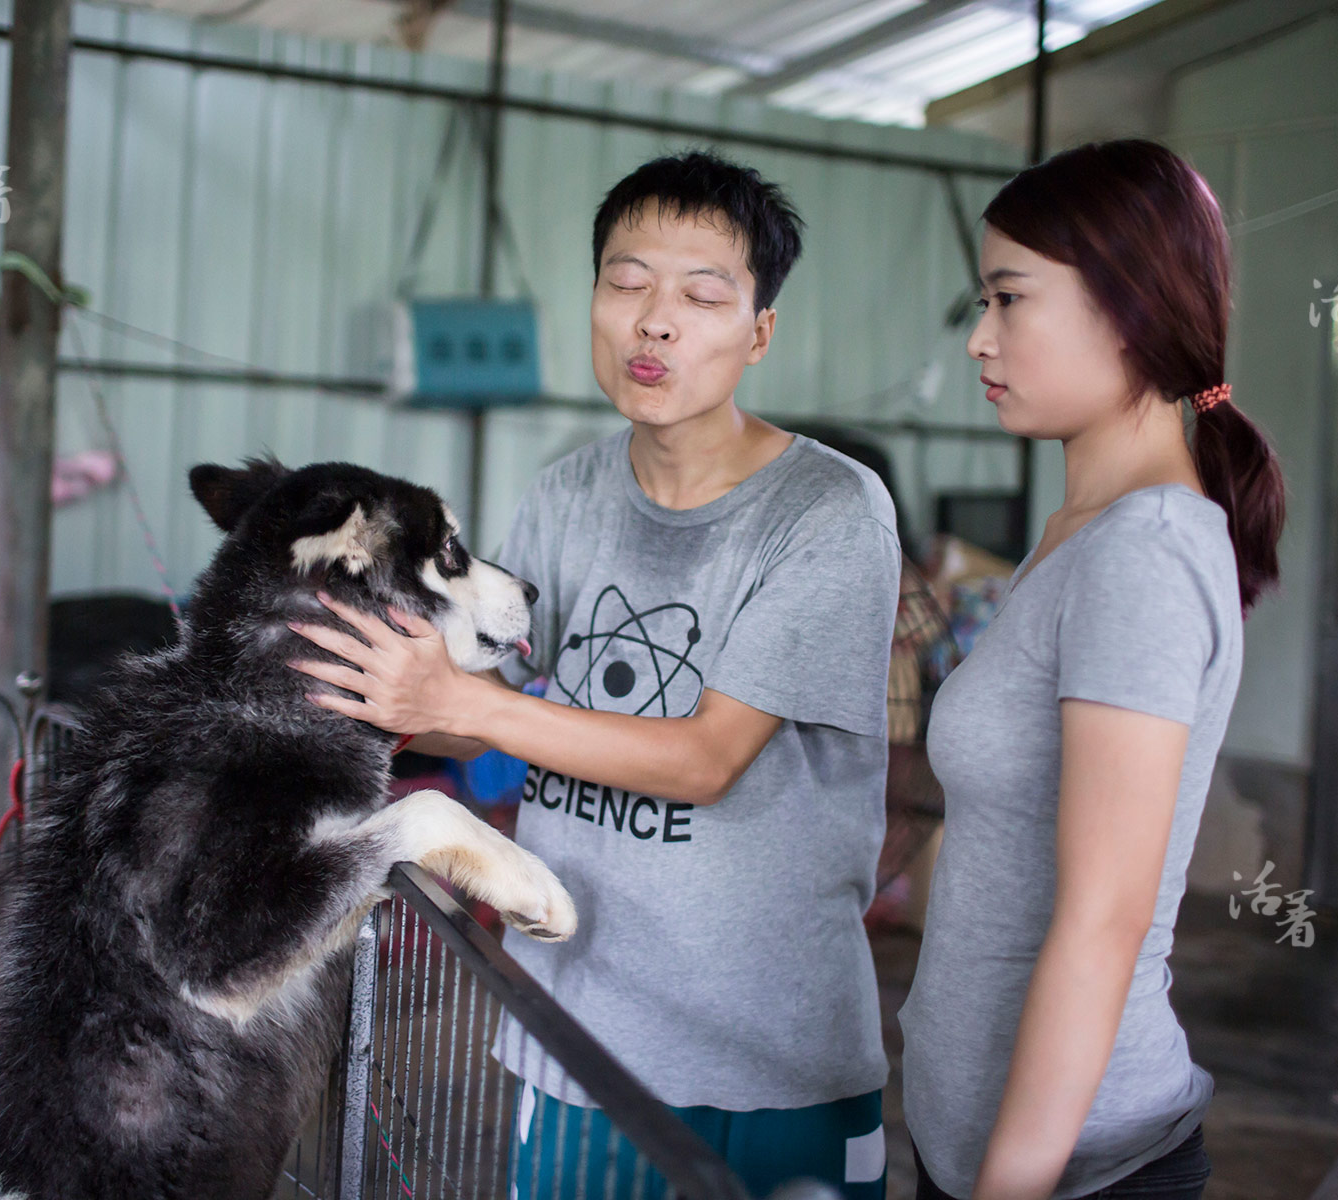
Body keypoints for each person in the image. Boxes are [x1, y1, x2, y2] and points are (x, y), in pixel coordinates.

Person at [286, 150, 900, 1199]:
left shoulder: (829, 512)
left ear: (759, 332)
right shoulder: (567, 491)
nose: (653, 321)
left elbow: (707, 759)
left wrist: (458, 700)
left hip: (764, 1062)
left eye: (702, 295)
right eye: (626, 283)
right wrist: (355, 685)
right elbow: (503, 721)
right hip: (573, 1037)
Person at [898, 138, 1287, 1200]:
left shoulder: (1145, 548)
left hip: (1068, 1175)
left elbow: (1103, 919)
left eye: (1009, 299)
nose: (982, 338)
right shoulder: (1080, 527)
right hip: (981, 1148)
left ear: (1128, 305)